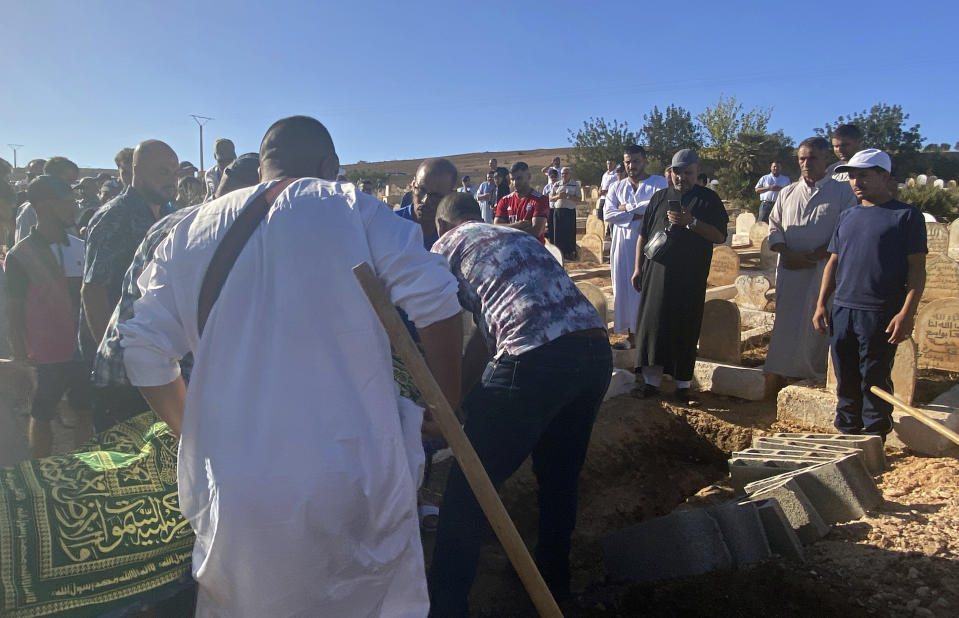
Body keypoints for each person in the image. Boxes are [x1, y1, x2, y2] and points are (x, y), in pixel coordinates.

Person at [118, 115, 463, 617]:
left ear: (262, 167)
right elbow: (437, 299)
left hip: (239, 488)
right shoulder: (353, 208)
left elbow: (143, 350)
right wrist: (445, 404)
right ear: (330, 166)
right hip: (353, 474)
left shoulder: (190, 228)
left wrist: (195, 432)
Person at [429, 192, 611, 616]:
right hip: (593, 350)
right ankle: (550, 582)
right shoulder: (517, 237)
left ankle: (445, 605)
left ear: (443, 225)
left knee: (469, 487)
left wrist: (440, 399)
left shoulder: (444, 246)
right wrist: (466, 395)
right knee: (559, 477)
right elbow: (483, 335)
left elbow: (438, 324)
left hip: (532, 355)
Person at [813, 148, 926, 439]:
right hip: (843, 309)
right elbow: (834, 262)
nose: (855, 182)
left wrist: (906, 313)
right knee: (845, 378)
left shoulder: (905, 216)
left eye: (863, 175)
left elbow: (917, 270)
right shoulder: (848, 216)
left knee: (873, 379)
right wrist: (821, 303)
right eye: (851, 176)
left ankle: (874, 438)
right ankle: (847, 434)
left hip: (879, 312)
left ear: (883, 175)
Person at [81, 139, 177, 431]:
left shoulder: (167, 213)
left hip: (151, 351)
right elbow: (93, 290)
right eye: (163, 172)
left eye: (174, 173)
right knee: (121, 448)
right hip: (121, 361)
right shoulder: (115, 217)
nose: (172, 181)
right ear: (137, 170)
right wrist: (111, 357)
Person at [631, 149, 728, 404]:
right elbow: (644, 234)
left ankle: (683, 385)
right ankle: (651, 382)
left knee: (683, 326)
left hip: (689, 277)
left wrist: (691, 222)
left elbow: (719, 236)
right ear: (670, 171)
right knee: (654, 325)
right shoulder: (659, 197)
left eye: (688, 173)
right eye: (677, 172)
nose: (681, 178)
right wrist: (638, 267)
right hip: (656, 273)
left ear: (697, 173)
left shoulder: (708, 199)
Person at [5, 176, 92, 457]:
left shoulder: (82, 247)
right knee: (42, 413)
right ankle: (40, 472)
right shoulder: (21, 254)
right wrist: (19, 354)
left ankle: (81, 473)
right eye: (67, 203)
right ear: (43, 206)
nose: (73, 208)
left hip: (81, 349)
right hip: (46, 354)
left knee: (85, 409)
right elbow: (14, 309)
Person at [765, 138, 857, 380]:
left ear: (827, 158)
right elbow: (774, 226)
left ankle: (816, 373)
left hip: (824, 269)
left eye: (812, 158)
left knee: (818, 320)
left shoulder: (843, 192)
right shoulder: (787, 192)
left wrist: (818, 254)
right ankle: (783, 370)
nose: (806, 164)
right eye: (802, 159)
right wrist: (787, 253)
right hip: (789, 268)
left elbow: (847, 229)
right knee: (788, 319)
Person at [604, 145, 668, 350]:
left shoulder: (658, 182)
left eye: (636, 161)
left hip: (650, 245)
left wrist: (627, 208)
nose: (631, 166)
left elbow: (658, 206)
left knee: (647, 289)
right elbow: (608, 214)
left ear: (645, 160)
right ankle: (632, 337)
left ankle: (650, 338)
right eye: (628, 162)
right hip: (622, 247)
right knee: (625, 289)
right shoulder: (616, 186)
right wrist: (638, 213)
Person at [395, 158, 458, 250]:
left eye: (435, 195)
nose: (425, 200)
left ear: (450, 195)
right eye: (421, 190)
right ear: (413, 185)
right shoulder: (389, 224)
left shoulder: (455, 237)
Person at [16, 157, 80, 243]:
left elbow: (73, 240)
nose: (69, 186)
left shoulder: (71, 206)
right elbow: (24, 250)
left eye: (73, 182)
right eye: (68, 180)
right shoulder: (30, 209)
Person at [494, 161, 549, 243]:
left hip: (533, 252)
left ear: (529, 177)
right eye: (512, 179)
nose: (515, 183)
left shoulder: (540, 200)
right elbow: (497, 228)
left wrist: (507, 228)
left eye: (519, 178)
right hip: (511, 250)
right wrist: (517, 225)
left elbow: (536, 231)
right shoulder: (504, 201)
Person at [550, 166, 582, 259]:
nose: (564, 175)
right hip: (558, 211)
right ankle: (559, 253)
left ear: (570, 174)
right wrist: (558, 196)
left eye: (566, 173)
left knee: (569, 232)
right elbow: (550, 198)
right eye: (562, 173)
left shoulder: (575, 185)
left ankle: (570, 252)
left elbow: (579, 199)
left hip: (569, 211)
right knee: (558, 233)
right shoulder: (556, 184)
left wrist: (568, 196)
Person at [543, 167, 560, 243]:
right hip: (550, 209)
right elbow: (544, 199)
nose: (553, 178)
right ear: (549, 177)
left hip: (559, 209)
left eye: (555, 177)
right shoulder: (547, 188)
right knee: (551, 227)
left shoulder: (560, 185)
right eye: (551, 177)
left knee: (559, 227)